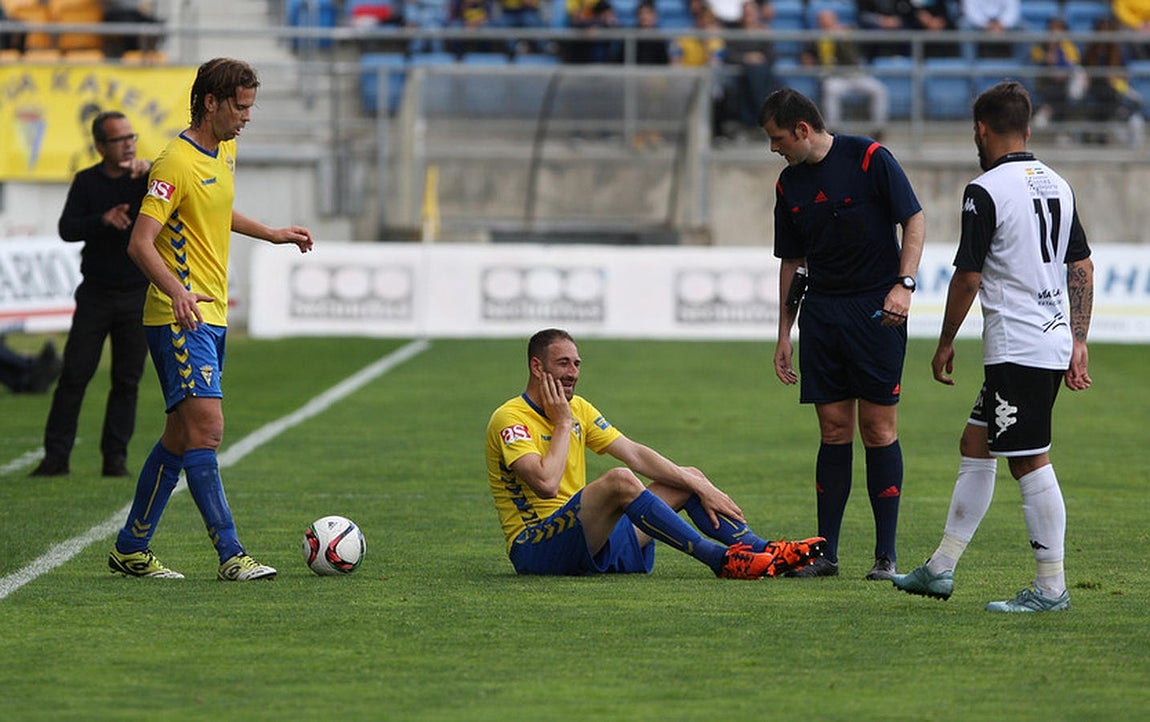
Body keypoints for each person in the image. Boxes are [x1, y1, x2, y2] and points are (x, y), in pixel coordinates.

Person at [107, 58, 314, 581]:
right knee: (207, 429)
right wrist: (176, 290)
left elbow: (214, 212)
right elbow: (140, 242)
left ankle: (131, 547)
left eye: (250, 107)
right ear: (211, 103)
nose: (247, 117)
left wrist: (270, 233)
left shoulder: (223, 150)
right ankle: (231, 554)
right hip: (179, 317)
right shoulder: (173, 163)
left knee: (180, 437)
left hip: (211, 315)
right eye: (240, 107)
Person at [892, 81, 1094, 613]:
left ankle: (1051, 588)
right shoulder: (1058, 183)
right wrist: (1078, 340)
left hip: (1018, 346)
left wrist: (944, 342)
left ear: (981, 130)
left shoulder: (985, 190)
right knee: (975, 444)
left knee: (1029, 460)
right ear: (1027, 128)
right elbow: (1082, 266)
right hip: (1047, 338)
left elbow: (968, 277)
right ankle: (940, 567)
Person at [486, 328, 825, 579]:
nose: (573, 373)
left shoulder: (580, 409)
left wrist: (701, 485)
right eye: (562, 363)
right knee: (619, 480)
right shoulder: (510, 418)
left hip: (587, 539)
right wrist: (562, 425)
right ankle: (721, 560)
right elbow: (546, 484)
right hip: (537, 549)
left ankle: (764, 551)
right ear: (536, 366)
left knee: (683, 477)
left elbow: (634, 452)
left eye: (576, 364)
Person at [760, 88, 925, 580]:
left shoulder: (870, 158)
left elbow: (913, 220)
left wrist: (905, 284)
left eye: (776, 138)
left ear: (802, 129)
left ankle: (885, 556)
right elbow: (792, 260)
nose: (774, 148)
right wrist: (784, 332)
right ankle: (826, 555)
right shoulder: (788, 186)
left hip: (878, 311)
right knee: (833, 430)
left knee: (878, 429)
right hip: (823, 315)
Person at [30, 111, 151, 479]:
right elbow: (67, 228)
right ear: (101, 146)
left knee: (127, 381)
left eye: (131, 136)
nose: (129, 143)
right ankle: (56, 458)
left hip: (136, 295)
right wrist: (101, 219)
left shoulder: (146, 178)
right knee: (74, 376)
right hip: (96, 294)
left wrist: (151, 172)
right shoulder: (86, 182)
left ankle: (115, 460)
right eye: (119, 139)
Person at [801, 8, 889, 139]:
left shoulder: (848, 33)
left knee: (879, 90)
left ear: (834, 20)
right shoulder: (816, 38)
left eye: (828, 20)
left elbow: (859, 53)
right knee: (831, 90)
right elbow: (806, 57)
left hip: (855, 74)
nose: (826, 23)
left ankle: (878, 128)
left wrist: (842, 37)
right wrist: (809, 58)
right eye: (822, 21)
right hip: (833, 77)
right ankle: (832, 129)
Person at [1029, 16, 1086, 130]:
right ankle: (1049, 114)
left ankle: (1047, 111)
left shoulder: (1068, 46)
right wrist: (1049, 56)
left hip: (1065, 81)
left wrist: (1062, 71)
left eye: (1059, 29)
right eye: (1053, 29)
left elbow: (1074, 63)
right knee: (1056, 90)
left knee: (1062, 91)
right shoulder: (1040, 45)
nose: (1056, 32)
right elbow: (1037, 58)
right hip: (1045, 80)